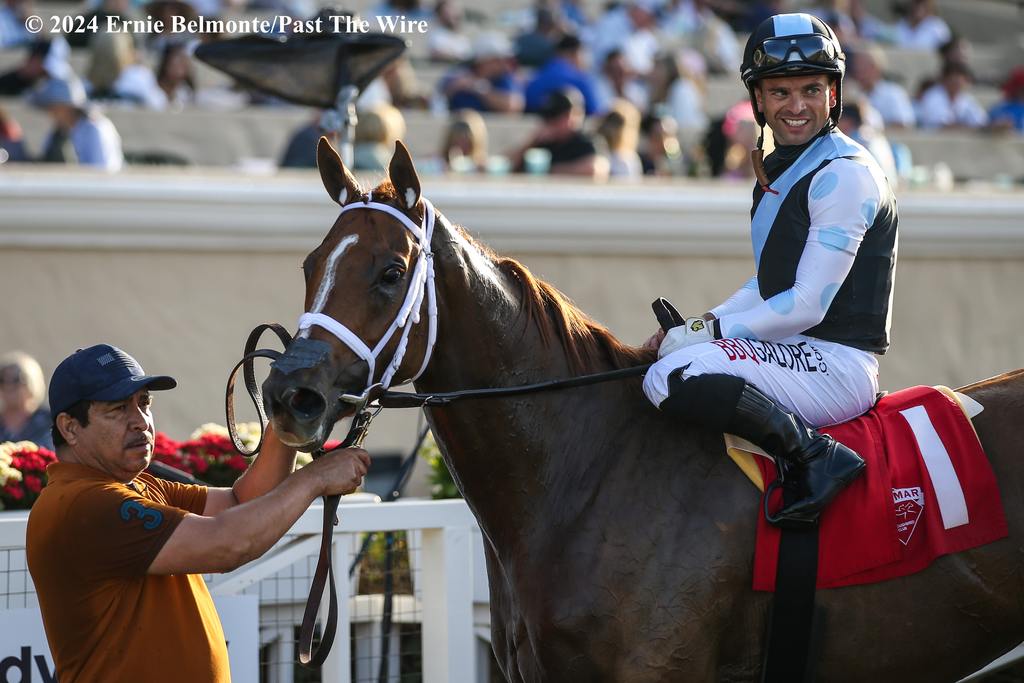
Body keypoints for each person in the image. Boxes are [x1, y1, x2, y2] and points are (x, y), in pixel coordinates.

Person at [641, 13, 898, 527]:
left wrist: (706, 333)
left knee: (672, 376)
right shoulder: (781, 167)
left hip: (836, 363)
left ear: (833, 93)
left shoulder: (844, 174)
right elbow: (767, 284)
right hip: (798, 349)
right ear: (757, 100)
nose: (796, 105)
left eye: (811, 88)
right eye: (780, 92)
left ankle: (815, 458)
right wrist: (699, 323)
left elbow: (806, 303)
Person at [26, 344, 370, 681]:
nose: (141, 422)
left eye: (144, 403)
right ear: (70, 427)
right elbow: (227, 543)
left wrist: (289, 411)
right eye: (118, 409)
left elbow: (241, 503)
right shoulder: (84, 504)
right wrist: (317, 477)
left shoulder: (135, 486)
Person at [30, 76, 124, 171]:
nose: (50, 113)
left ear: (65, 107)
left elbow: (102, 173)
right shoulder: (59, 132)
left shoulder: (95, 128)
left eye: (52, 107)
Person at [512, 88, 608, 178]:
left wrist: (550, 171)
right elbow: (509, 165)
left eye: (556, 118)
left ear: (574, 115)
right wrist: (531, 142)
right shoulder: (543, 143)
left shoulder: (587, 142)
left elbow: (595, 168)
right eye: (548, 118)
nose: (550, 123)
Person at [0, 351, 52, 448]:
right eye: (2, 380)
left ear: (33, 382)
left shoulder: (52, 422)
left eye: (16, 379)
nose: (8, 385)